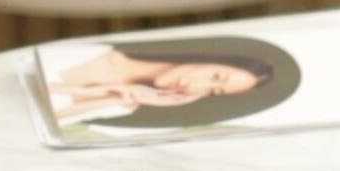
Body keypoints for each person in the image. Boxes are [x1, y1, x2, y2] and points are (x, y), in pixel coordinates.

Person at [45, 43, 286, 124]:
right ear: (208, 59)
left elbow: (45, 120)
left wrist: (113, 95)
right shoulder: (94, 52)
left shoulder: (124, 104)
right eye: (215, 76)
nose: (196, 87)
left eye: (213, 91)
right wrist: (82, 90)